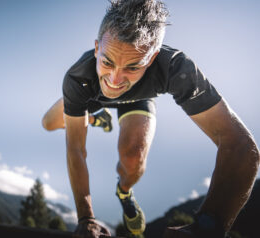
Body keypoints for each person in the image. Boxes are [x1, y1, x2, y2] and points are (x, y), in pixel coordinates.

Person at [42, 0, 260, 237]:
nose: (115, 80)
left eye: (133, 66)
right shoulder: (78, 78)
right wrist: (86, 218)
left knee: (133, 158)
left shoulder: (175, 67)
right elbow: (76, 149)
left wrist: (208, 226)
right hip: (91, 93)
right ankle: (97, 119)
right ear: (96, 48)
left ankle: (124, 191)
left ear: (153, 57)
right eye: (107, 61)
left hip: (137, 99)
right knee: (48, 123)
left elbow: (240, 146)